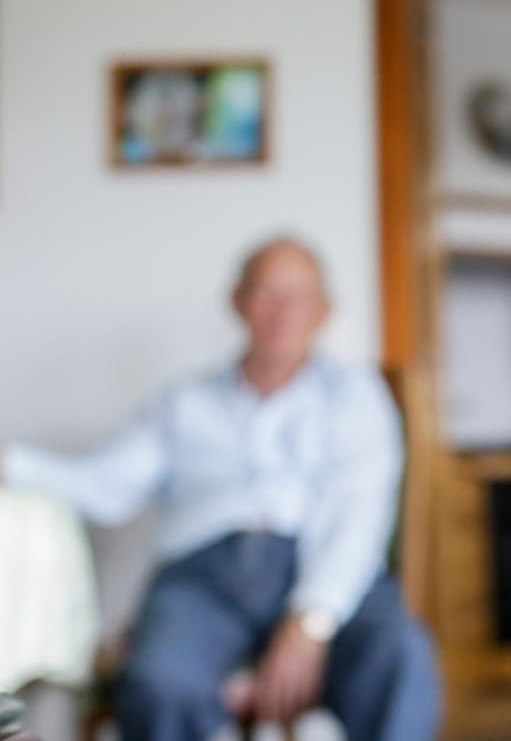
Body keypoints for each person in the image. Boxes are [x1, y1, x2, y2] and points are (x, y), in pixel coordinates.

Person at [0, 238, 441, 741]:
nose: (281, 311)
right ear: (237, 301)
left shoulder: (357, 396)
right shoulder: (183, 401)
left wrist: (310, 621)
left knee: (402, 655)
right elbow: (106, 486)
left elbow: (356, 520)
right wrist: (11, 462)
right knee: (158, 683)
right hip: (201, 578)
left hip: (328, 569)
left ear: (324, 310)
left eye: (298, 295)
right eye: (266, 292)